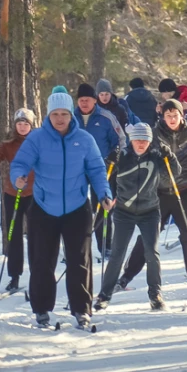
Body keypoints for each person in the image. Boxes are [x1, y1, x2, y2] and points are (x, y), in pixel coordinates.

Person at [11, 92, 112, 329]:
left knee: (79, 260)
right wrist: (18, 177)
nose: (59, 119)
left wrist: (105, 194)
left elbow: (97, 169)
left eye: (64, 114)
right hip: (44, 207)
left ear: (71, 115)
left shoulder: (85, 139)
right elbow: (20, 163)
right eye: (55, 114)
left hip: (77, 207)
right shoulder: (37, 138)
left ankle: (81, 309)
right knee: (42, 259)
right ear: (48, 115)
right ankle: (42, 309)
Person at [116, 99, 187, 297]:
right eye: (167, 115)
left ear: (181, 115)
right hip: (157, 193)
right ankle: (125, 277)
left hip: (184, 192)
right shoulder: (154, 134)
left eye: (175, 115)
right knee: (147, 237)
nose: (171, 119)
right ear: (162, 116)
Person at [94, 123, 180, 312]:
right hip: (124, 211)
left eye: (145, 140)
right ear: (131, 140)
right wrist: (110, 159)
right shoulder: (122, 156)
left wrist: (169, 155)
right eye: (137, 139)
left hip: (150, 212)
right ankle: (104, 295)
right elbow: (102, 173)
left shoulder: (156, 157)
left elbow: (175, 172)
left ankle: (155, 295)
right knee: (117, 253)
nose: (141, 143)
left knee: (152, 253)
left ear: (150, 141)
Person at [0, 108, 37, 293]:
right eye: (20, 123)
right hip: (13, 193)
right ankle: (14, 277)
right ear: (15, 125)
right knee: (13, 235)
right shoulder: (7, 144)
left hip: (34, 194)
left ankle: (36, 274)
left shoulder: (38, 142)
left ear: (31, 126)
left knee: (35, 236)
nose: (23, 127)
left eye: (26, 124)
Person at [75, 83, 124, 259]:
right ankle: (76, 247)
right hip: (77, 169)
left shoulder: (106, 117)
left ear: (95, 100)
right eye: (81, 100)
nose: (84, 103)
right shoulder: (72, 118)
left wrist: (115, 153)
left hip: (101, 168)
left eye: (87, 100)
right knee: (75, 208)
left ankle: (105, 246)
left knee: (102, 205)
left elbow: (121, 139)